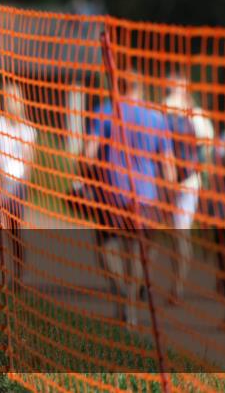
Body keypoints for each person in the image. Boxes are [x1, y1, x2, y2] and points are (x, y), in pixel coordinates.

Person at [82, 75, 177, 327]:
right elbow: (169, 170)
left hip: (110, 194)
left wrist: (83, 180)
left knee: (106, 249)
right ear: (141, 88)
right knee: (137, 253)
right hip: (145, 198)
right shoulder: (157, 119)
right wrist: (169, 199)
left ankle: (122, 294)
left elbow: (87, 157)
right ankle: (131, 306)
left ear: (116, 86)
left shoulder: (103, 111)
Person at [162, 72, 215, 301]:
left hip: (164, 180)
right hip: (189, 181)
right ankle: (178, 286)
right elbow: (207, 150)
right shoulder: (198, 116)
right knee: (180, 234)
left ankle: (146, 279)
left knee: (158, 233)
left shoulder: (162, 108)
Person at [0, 82, 36, 283]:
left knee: (12, 231)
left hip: (16, 185)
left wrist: (18, 188)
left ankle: (19, 272)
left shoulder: (28, 131)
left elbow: (28, 163)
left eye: (15, 98)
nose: (11, 102)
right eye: (8, 97)